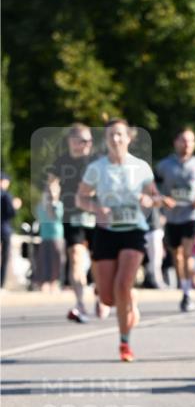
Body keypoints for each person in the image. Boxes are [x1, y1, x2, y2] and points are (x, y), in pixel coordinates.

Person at [76, 119, 163, 362]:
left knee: (123, 283)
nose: (116, 139)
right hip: (105, 231)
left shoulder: (141, 166)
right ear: (105, 139)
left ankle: (125, 343)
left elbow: (156, 197)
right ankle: (130, 299)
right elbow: (81, 198)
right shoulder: (97, 167)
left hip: (133, 230)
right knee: (107, 298)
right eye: (111, 135)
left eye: (120, 135)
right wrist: (96, 207)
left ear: (129, 137)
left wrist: (150, 201)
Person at [46, 123, 98, 322]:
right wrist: (52, 199)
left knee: (98, 260)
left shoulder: (96, 161)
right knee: (76, 257)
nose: (87, 144)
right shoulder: (61, 162)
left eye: (90, 140)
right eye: (83, 140)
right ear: (71, 141)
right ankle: (80, 303)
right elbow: (51, 182)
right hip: (72, 215)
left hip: (96, 216)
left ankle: (100, 294)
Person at [156, 128, 195, 313]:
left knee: (187, 253)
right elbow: (153, 188)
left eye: (191, 141)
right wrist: (163, 198)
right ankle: (184, 287)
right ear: (175, 142)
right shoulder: (164, 165)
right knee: (177, 256)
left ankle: (187, 294)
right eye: (183, 141)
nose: (187, 144)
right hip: (172, 217)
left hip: (192, 215)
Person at [35, 177, 65, 291]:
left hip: (56, 236)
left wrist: (54, 203)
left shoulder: (59, 205)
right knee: (43, 261)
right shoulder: (42, 205)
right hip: (45, 236)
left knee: (56, 261)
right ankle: (43, 283)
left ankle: (54, 282)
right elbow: (40, 215)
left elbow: (57, 216)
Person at [1, 172, 17, 289]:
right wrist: (15, 206)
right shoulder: (6, 195)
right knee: (4, 257)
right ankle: (1, 283)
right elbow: (11, 213)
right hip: (4, 229)